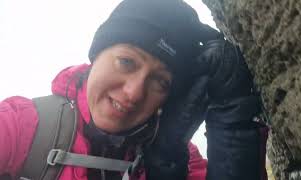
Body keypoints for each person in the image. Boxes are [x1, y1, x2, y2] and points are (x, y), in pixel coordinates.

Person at [0, 0, 269, 180]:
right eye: (126, 62)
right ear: (97, 54)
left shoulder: (180, 157)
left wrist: (231, 118)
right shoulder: (22, 127)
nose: (133, 92)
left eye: (160, 81)